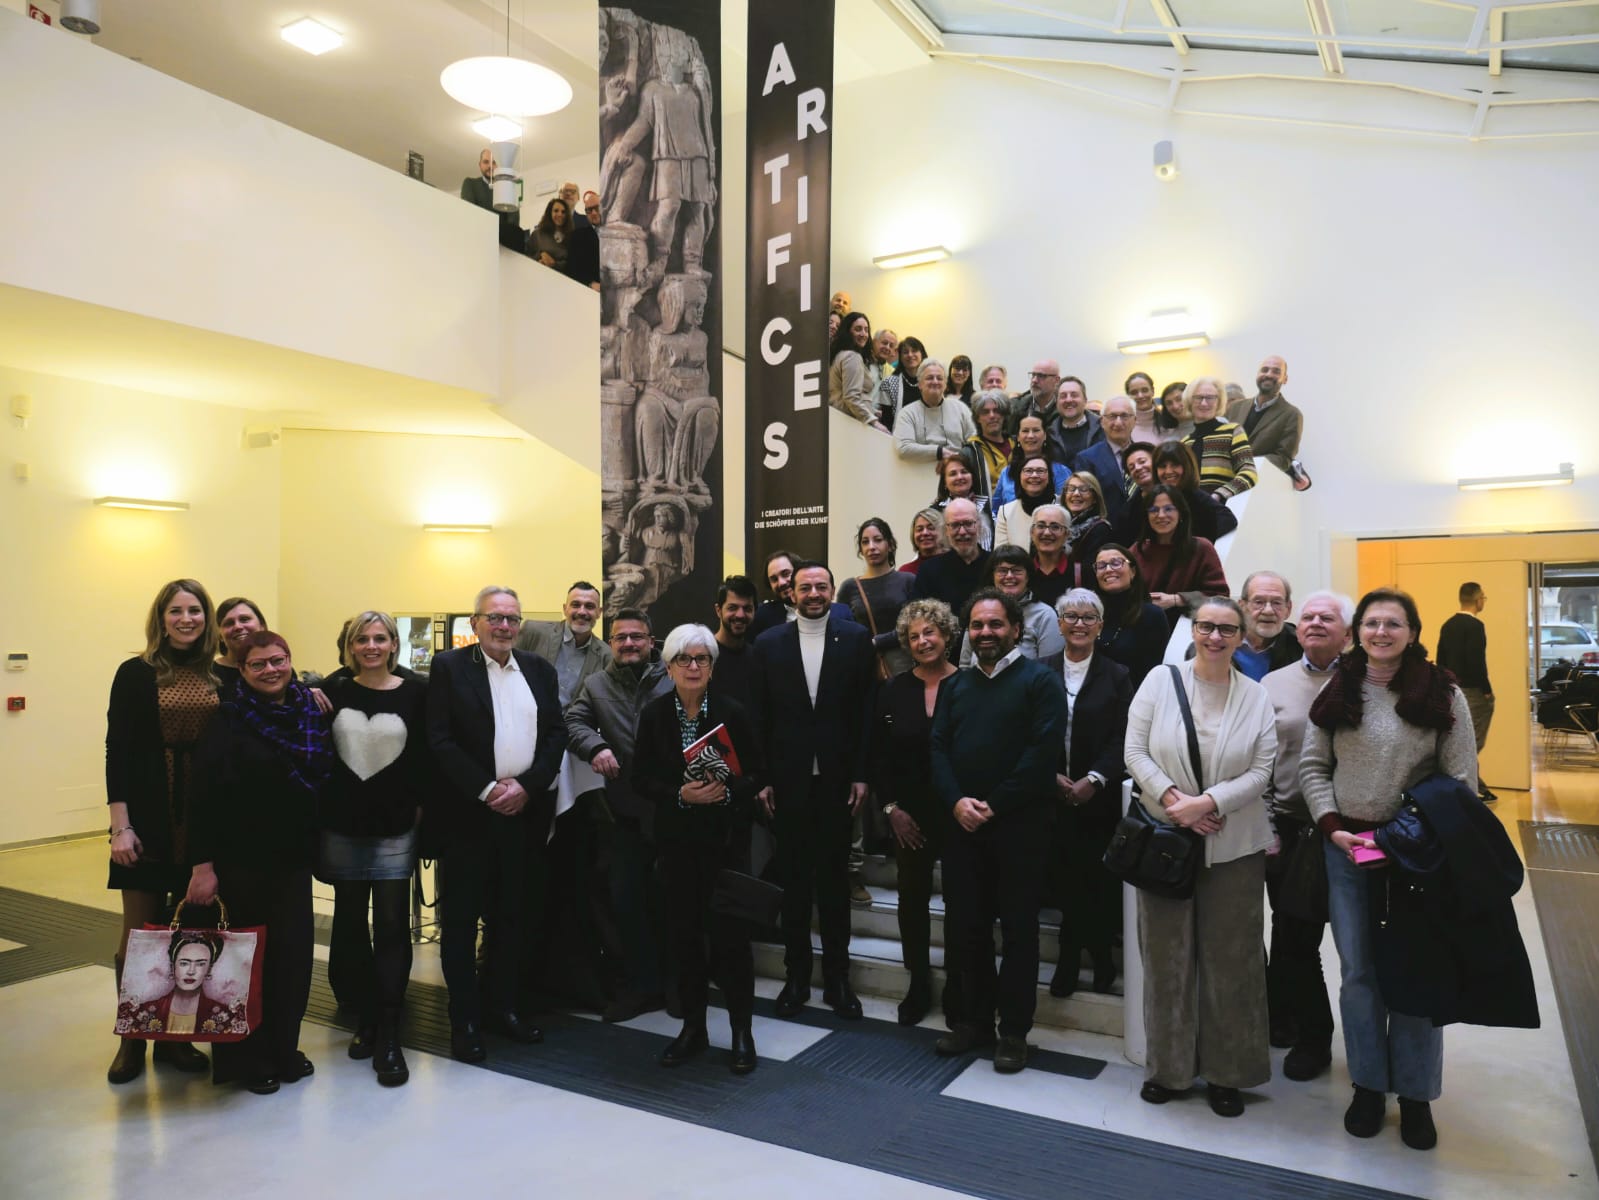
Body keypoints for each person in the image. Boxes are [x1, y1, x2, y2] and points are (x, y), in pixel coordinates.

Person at [1300, 588, 1478, 1152]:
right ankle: (1369, 1085)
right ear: (1358, 631)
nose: (1381, 632)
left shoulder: (1442, 690)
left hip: (1414, 856)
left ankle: (1417, 1096)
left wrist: (1413, 835)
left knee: (1414, 972)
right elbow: (1312, 766)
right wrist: (1331, 826)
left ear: (1413, 631)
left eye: (1393, 623)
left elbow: (1460, 781)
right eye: (1371, 623)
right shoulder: (1340, 687)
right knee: (1359, 974)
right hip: (1347, 850)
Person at [1124, 598, 1277, 1118]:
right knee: (1166, 958)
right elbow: (1135, 751)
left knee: (1232, 961)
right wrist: (1176, 804)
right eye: (1206, 627)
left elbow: (1262, 770)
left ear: (1241, 637)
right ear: (1192, 630)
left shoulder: (1256, 695)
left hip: (1235, 846)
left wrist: (1209, 803)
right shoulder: (1158, 682)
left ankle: (1227, 1073)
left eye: (1227, 630)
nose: (1215, 637)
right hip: (1167, 841)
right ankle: (1167, 1069)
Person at [187, 631, 333, 1095]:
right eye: (258, 665)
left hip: (292, 862)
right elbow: (201, 798)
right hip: (239, 864)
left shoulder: (309, 711)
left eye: (278, 660)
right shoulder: (227, 719)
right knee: (241, 966)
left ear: (291, 660)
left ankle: (284, 1050)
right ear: (242, 671)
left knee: (291, 964)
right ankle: (247, 1059)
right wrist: (202, 867)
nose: (271, 670)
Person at [426, 586, 567, 1063]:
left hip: (522, 818)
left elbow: (555, 734)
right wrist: (487, 790)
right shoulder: (449, 668)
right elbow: (440, 740)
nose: (504, 626)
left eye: (512, 618)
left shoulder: (540, 670)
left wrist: (527, 786)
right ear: (475, 622)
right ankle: (464, 1017)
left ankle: (504, 1008)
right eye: (495, 618)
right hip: (469, 818)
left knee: (512, 918)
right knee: (462, 923)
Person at [931, 589, 1068, 1073]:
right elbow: (938, 750)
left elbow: (1041, 755)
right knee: (966, 929)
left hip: (1020, 829)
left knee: (1018, 933)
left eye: (995, 624)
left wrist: (993, 804)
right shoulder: (956, 686)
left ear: (1015, 629)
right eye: (977, 625)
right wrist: (956, 802)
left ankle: (1013, 1032)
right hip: (963, 827)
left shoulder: (1040, 682)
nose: (985, 632)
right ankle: (972, 1022)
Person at [105, 579, 222, 1084]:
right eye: (176, 610)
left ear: (206, 617)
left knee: (191, 938)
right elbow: (117, 750)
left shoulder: (221, 675)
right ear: (161, 617)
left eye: (195, 610)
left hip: (203, 820)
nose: (186, 618)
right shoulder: (135, 673)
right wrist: (120, 826)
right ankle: (132, 1039)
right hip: (149, 817)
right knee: (138, 936)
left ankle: (177, 1037)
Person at [634, 624, 765, 1074]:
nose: (693, 667)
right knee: (684, 942)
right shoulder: (654, 716)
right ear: (668, 666)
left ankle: (742, 1034)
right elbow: (640, 779)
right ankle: (693, 1029)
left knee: (732, 944)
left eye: (702, 659)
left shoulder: (734, 713)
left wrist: (727, 795)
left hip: (725, 847)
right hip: (676, 847)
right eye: (684, 659)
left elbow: (757, 775)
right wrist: (679, 795)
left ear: (712, 666)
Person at [751, 561, 876, 1020]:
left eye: (822, 586)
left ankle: (838, 979)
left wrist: (862, 774)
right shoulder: (768, 644)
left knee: (834, 884)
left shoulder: (856, 640)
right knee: (796, 885)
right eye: (806, 587)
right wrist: (762, 777)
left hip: (840, 784)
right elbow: (759, 718)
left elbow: (866, 714)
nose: (814, 593)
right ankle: (796, 976)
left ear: (831, 591)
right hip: (787, 784)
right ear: (792, 594)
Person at [317, 611, 427, 1087]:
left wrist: (421, 811)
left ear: (393, 644)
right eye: (363, 638)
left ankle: (388, 1026)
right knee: (348, 923)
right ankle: (362, 1013)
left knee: (390, 925)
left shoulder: (417, 693)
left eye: (381, 637)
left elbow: (427, 754)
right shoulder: (331, 691)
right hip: (342, 826)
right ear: (349, 644)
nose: (372, 645)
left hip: (395, 828)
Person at [1260, 589, 1352, 1084]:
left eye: (1327, 617)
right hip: (1293, 833)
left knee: (1356, 949)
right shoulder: (1274, 683)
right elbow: (1260, 759)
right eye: (1308, 617)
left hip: (1355, 835)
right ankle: (1311, 1036)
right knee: (1296, 940)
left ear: (1348, 633)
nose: (1314, 623)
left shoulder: (1367, 683)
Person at [564, 608, 673, 1023]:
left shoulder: (673, 675)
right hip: (622, 813)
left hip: (672, 809)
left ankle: (676, 985)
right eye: (621, 637)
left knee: (672, 902)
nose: (629, 643)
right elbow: (572, 721)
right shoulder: (595, 685)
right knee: (626, 904)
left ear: (650, 640)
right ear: (610, 643)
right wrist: (594, 746)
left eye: (637, 637)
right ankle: (640, 987)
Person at [869, 599, 959, 1026]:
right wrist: (891, 809)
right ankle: (918, 981)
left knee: (963, 902)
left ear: (946, 635)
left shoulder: (971, 685)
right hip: (909, 815)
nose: (923, 641)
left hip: (960, 813)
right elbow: (879, 758)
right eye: (914, 636)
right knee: (911, 901)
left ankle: (961, 984)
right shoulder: (893, 690)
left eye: (931, 632)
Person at [1040, 588, 1132, 996]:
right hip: (1051, 797)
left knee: (1096, 879)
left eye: (1088, 617)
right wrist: (1050, 776)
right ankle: (1079, 957)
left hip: (1100, 798)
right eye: (1071, 616)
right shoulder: (1039, 671)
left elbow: (1124, 736)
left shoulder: (1118, 675)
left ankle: (1089, 956)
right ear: (1059, 624)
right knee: (1064, 879)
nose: (1079, 624)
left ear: (1100, 625)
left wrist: (1093, 779)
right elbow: (1029, 731)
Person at [1131, 485, 1229, 626]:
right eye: (1153, 510)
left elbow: (1220, 597)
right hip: (1143, 629)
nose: (1161, 515)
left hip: (1184, 632)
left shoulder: (1201, 548)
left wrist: (1176, 600)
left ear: (1181, 513)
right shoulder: (1137, 550)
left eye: (1168, 509)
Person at [1436, 581, 1496, 804]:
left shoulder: (1448, 624)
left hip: (1451, 690)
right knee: (1471, 743)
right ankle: (1471, 790)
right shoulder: (1475, 626)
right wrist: (1487, 691)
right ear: (1478, 598)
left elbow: (1441, 658)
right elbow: (1476, 661)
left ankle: (1478, 787)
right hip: (1473, 690)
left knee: (1458, 740)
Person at [117, 930, 241, 1036]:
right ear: (173, 966)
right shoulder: (146, 1010)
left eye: (200, 964)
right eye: (184, 963)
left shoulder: (224, 1015)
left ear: (208, 969)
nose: (191, 971)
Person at [957, 546, 1065, 665]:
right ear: (992, 576)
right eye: (1002, 570)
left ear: (1028, 576)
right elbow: (965, 665)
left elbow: (1051, 667)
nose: (1009, 576)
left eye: (1016, 570)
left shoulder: (1045, 615)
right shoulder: (978, 610)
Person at [837, 517, 917, 677]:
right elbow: (843, 630)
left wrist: (876, 642)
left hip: (904, 666)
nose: (871, 547)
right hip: (864, 667)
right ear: (860, 549)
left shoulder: (908, 580)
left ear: (890, 544)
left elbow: (914, 625)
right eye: (865, 542)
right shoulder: (849, 587)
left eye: (878, 540)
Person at [515, 580, 612, 708]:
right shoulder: (533, 632)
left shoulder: (606, 656)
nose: (582, 612)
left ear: (599, 612)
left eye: (589, 606)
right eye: (576, 605)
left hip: (569, 726)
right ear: (565, 609)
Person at [1090, 544, 1170, 689]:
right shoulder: (1090, 614)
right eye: (1101, 566)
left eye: (1116, 563)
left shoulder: (1152, 616)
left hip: (1130, 701)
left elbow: (1151, 675)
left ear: (1132, 571)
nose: (1108, 570)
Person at [911, 498, 992, 614]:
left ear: (979, 526)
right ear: (945, 531)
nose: (962, 532)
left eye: (968, 523)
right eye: (954, 525)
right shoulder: (928, 571)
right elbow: (918, 616)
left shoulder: (995, 565)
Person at [1183, 377, 1258, 498]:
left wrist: (1219, 495)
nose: (1204, 403)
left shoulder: (1232, 432)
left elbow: (1249, 473)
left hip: (1222, 511)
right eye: (1198, 397)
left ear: (1218, 402)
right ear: (1189, 402)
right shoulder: (1185, 443)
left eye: (1210, 398)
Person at [1227, 355, 1302, 477]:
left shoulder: (1292, 415)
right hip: (1223, 480)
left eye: (1276, 371)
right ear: (1257, 374)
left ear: (1285, 379)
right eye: (1264, 370)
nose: (1269, 374)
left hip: (1256, 484)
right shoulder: (1235, 407)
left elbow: (1284, 459)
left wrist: (1247, 463)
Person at [750, 549, 855, 636]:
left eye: (786, 574)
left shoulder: (842, 613)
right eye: (774, 579)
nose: (781, 582)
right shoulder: (761, 616)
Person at [1152, 439, 1237, 543]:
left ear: (1186, 466)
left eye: (1175, 465)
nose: (1168, 471)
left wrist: (1194, 544)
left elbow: (1228, 519)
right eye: (1162, 466)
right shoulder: (1154, 499)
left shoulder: (1196, 495)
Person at [893, 360, 975, 464]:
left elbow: (974, 440)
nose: (935, 381)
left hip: (956, 472)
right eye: (929, 378)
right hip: (919, 475)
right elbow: (903, 448)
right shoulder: (907, 413)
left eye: (940, 378)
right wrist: (940, 452)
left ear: (945, 384)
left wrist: (962, 457)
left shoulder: (960, 408)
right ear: (920, 384)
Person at [1072, 395, 1137, 525]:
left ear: (1135, 420)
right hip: (1105, 535)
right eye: (1112, 416)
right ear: (1102, 422)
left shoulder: (1146, 455)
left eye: (1124, 416)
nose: (1118, 422)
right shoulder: (1086, 459)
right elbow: (1084, 504)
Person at [989, 414, 1071, 511]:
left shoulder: (1061, 472)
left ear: (1045, 435)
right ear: (1018, 437)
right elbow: (995, 510)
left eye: (1036, 430)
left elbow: (1067, 507)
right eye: (1025, 431)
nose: (1030, 436)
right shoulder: (1007, 473)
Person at [1234, 571, 1301, 680]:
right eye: (1259, 602)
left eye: (1277, 603)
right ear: (1242, 607)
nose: (1268, 611)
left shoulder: (1301, 646)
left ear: (1288, 609)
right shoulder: (1216, 641)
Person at [828, 311, 887, 431]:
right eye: (858, 329)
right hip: (849, 425)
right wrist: (873, 421)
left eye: (866, 330)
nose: (863, 334)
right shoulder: (852, 357)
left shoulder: (840, 354)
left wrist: (872, 410)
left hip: (840, 420)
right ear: (848, 331)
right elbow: (851, 397)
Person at [460, 147, 525, 250]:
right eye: (486, 162)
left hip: (505, 244)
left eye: (494, 162)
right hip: (478, 239)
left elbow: (514, 222)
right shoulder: (470, 184)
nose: (490, 166)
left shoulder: (509, 187)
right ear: (480, 164)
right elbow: (469, 213)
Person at [709, 574, 759, 708]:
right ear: (718, 610)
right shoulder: (703, 656)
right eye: (732, 608)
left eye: (747, 609)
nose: (740, 615)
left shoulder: (758, 658)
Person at [992, 455, 1057, 550]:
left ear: (1049, 477)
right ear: (1019, 477)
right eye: (1028, 471)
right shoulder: (1006, 512)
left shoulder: (1062, 507)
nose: (1034, 475)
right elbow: (1001, 555)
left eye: (1040, 471)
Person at [933, 451, 993, 550]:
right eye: (953, 474)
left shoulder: (988, 506)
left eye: (964, 472)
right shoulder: (936, 512)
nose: (960, 477)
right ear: (944, 482)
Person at [1061, 470, 1116, 568]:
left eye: (1084, 489)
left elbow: (1090, 570)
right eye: (1071, 489)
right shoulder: (1060, 525)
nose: (1076, 494)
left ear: (1095, 498)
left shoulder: (1100, 529)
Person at [964, 390, 1013, 497]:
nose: (992, 416)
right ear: (978, 419)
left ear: (1004, 415)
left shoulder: (1017, 444)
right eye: (985, 412)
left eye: (996, 411)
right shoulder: (971, 451)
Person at [1026, 503, 1074, 608]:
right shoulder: (1022, 572)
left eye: (1055, 527)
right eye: (1041, 526)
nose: (1047, 533)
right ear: (1031, 532)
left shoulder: (1079, 572)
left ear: (1067, 534)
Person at [215, 596, 266, 692]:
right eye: (229, 623)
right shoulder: (209, 675)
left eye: (244, 619)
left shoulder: (279, 670)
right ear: (220, 635)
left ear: (262, 626)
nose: (238, 627)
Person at [1048, 376, 1104, 463]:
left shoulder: (1103, 429)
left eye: (1074, 395)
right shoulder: (1048, 434)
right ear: (1056, 403)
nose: (1069, 399)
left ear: (1085, 400)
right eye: (1063, 396)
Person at [874, 335, 926, 427]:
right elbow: (886, 421)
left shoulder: (930, 383)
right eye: (905, 352)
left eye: (914, 351)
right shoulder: (889, 383)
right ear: (900, 358)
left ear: (922, 354)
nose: (910, 355)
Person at [1006, 360, 1060, 437]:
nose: (1034, 380)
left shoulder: (1064, 410)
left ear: (1056, 380)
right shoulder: (1015, 407)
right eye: (1033, 375)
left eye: (1041, 376)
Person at [566, 191, 602, 289]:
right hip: (593, 293)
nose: (594, 213)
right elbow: (572, 268)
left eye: (597, 208)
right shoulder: (577, 237)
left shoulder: (622, 230)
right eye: (589, 210)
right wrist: (590, 283)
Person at [899, 508, 948, 576]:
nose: (925, 533)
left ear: (943, 532)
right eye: (919, 529)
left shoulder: (955, 565)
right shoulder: (906, 572)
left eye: (931, 528)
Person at [1127, 372, 1161, 444]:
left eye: (1145, 390)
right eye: (1134, 392)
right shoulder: (1124, 425)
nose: (1140, 396)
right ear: (1128, 396)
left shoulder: (1167, 422)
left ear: (1153, 391)